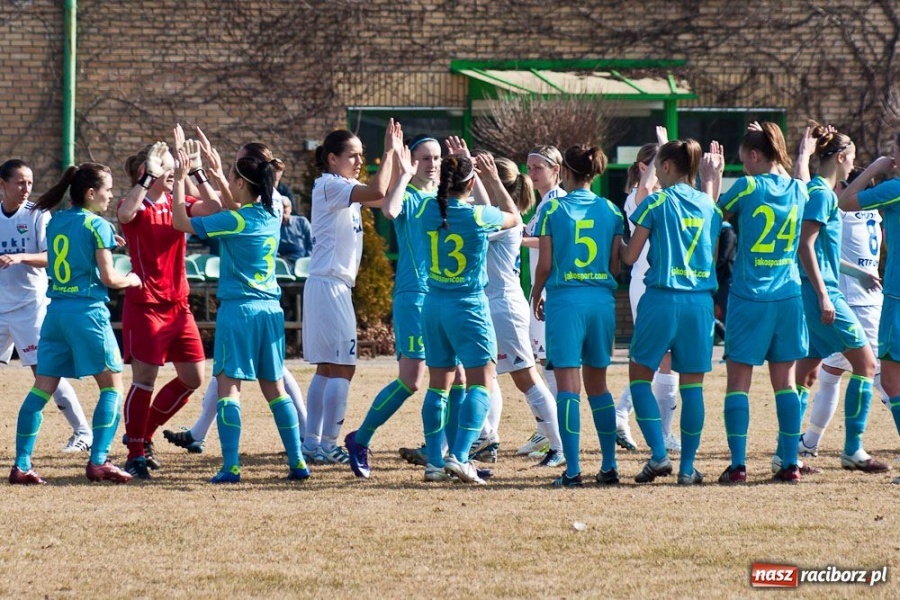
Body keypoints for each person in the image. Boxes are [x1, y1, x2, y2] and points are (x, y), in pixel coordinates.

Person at [170, 146, 309, 484]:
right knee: (275, 388)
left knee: (228, 387)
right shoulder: (272, 211)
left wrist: (179, 179)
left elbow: (179, 222)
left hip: (239, 311)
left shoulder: (235, 220)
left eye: (231, 178)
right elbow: (232, 201)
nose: (227, 184)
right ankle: (298, 462)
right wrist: (214, 172)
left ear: (241, 183)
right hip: (270, 311)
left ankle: (231, 466)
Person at [10, 163, 142, 485]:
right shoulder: (98, 225)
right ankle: (99, 461)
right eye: (108, 190)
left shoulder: (56, 220)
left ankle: (22, 465)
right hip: (87, 314)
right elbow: (110, 278)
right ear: (91, 193)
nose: (111, 195)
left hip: (55, 314)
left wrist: (105, 242)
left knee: (41, 388)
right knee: (111, 387)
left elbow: (72, 249)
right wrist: (132, 279)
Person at [706, 123, 810, 484]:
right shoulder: (798, 189)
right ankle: (791, 463)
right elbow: (791, 172)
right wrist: (792, 149)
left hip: (750, 296)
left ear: (754, 155)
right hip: (789, 296)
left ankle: (738, 466)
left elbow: (711, 217)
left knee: (738, 382)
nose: (743, 167)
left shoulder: (748, 186)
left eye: (744, 160)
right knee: (786, 383)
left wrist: (712, 177)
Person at [116, 130, 220, 479]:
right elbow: (125, 214)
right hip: (145, 305)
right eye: (168, 168)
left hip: (178, 305)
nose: (174, 172)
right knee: (144, 380)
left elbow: (215, 209)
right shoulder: (137, 201)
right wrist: (148, 177)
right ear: (148, 170)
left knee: (192, 377)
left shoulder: (179, 203)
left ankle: (144, 434)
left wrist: (198, 171)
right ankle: (135, 453)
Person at [621, 139, 722, 485]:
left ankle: (659, 455)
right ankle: (688, 468)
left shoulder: (657, 201)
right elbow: (711, 253)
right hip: (699, 303)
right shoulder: (708, 205)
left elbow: (630, 256)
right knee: (692, 389)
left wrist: (614, 242)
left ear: (665, 166)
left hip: (662, 299)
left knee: (639, 379)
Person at [788, 123, 887, 473]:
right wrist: (823, 296)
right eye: (852, 158)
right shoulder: (823, 195)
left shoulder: (819, 191)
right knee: (868, 366)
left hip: (822, 293)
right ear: (842, 157)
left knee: (806, 376)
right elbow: (805, 246)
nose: (852, 166)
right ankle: (852, 449)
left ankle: (788, 453)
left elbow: (819, 250)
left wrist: (805, 150)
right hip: (826, 295)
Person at [301, 122, 401, 465]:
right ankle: (328, 444)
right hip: (330, 284)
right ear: (332, 159)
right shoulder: (331, 184)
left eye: (361, 155)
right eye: (352, 156)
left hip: (328, 284)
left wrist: (404, 168)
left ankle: (312, 443)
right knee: (343, 366)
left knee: (328, 368)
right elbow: (377, 189)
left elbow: (386, 199)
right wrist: (389, 152)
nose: (359, 161)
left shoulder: (340, 186)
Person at [418, 153, 521, 484]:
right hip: (467, 306)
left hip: (433, 304)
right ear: (471, 183)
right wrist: (493, 179)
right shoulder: (478, 215)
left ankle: (435, 463)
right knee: (482, 380)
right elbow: (514, 217)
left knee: (438, 385)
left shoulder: (426, 209)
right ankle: (460, 457)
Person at [344, 134, 439, 478]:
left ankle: (440, 452)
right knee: (411, 381)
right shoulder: (408, 196)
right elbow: (389, 209)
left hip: (444, 297)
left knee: (455, 377)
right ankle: (360, 439)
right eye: (425, 158)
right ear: (412, 162)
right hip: (415, 297)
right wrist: (403, 174)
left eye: (437, 158)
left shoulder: (444, 198)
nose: (432, 164)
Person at [530, 145, 622, 487]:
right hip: (601, 302)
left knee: (568, 387)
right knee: (599, 386)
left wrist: (536, 293)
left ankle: (572, 471)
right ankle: (609, 467)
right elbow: (615, 266)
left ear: (565, 172)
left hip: (566, 301)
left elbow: (544, 264)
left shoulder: (554, 209)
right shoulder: (611, 209)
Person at [0, 159, 93, 454]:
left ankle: (83, 433)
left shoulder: (38, 214)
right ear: (2, 184)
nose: (26, 188)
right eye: (19, 182)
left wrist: (21, 257)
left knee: (45, 372)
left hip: (31, 307)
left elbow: (51, 256)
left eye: (29, 182)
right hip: (1, 307)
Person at [479, 156, 563, 468]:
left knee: (526, 378)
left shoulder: (502, 218)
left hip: (504, 305)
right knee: (482, 374)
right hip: (491, 303)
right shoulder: (496, 213)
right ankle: (484, 438)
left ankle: (559, 447)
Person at [802, 169, 889, 455]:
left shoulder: (843, 213)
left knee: (881, 377)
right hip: (863, 301)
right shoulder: (874, 215)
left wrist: (805, 158)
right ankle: (809, 442)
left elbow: (826, 252)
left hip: (854, 303)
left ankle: (821, 443)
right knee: (830, 372)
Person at [838, 129, 900, 485]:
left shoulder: (894, 188)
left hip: (893, 298)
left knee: (888, 378)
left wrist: (873, 169)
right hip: (879, 295)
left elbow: (846, 201)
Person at [519, 145, 566, 458]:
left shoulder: (558, 201)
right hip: (539, 288)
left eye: (538, 167)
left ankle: (556, 435)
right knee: (536, 361)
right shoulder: (543, 204)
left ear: (556, 169)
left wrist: (517, 238)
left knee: (549, 363)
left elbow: (554, 242)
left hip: (549, 290)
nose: (532, 173)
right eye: (529, 167)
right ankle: (544, 430)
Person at [278, 195, 312, 263]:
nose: (282, 210)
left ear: (290, 208)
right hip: (283, 261)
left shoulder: (302, 222)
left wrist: (307, 260)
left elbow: (312, 242)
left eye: (285, 207)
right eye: (280, 208)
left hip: (301, 260)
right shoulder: (275, 226)